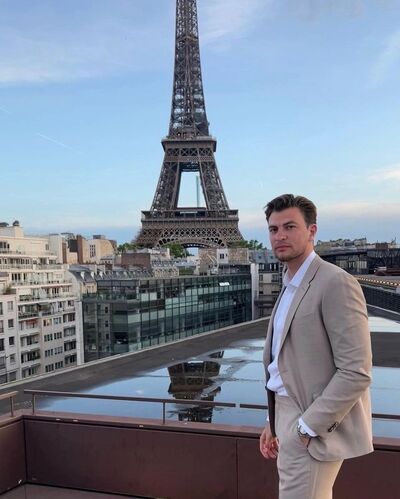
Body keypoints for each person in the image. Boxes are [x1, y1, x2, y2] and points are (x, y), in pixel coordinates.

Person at [259, 194, 373, 499]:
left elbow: (356, 371)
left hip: (310, 423)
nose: (280, 236)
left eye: (290, 227)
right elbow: (282, 363)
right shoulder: (289, 284)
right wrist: (273, 420)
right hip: (286, 415)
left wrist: (305, 428)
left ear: (312, 231)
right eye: (273, 229)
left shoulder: (335, 282)